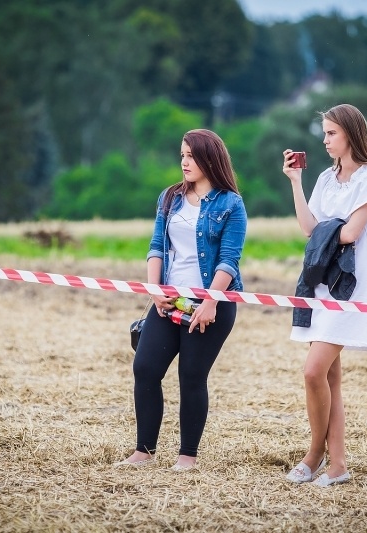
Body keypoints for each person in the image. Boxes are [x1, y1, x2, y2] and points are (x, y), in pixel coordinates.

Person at [115, 129, 247, 471]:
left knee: (191, 376)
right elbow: (156, 246)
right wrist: (155, 290)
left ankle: (187, 456)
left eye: (191, 155)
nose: (185, 162)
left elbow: (229, 260)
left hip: (211, 302)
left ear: (210, 158)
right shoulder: (170, 197)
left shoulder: (231, 204)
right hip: (169, 300)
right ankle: (143, 452)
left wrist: (211, 302)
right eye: (182, 155)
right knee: (144, 369)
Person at [282, 104, 367, 486]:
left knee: (313, 370)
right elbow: (308, 227)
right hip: (320, 282)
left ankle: (314, 454)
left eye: (331, 133)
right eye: (324, 133)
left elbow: (350, 235)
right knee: (329, 378)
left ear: (350, 133)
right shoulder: (327, 180)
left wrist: (326, 230)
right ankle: (338, 465)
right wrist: (296, 182)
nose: (325, 140)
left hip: (352, 289)